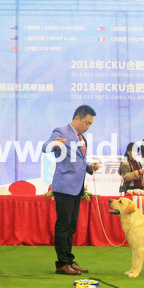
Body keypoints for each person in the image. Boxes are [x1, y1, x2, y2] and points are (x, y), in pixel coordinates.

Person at [44, 105, 100, 275]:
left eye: (90, 124)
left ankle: (69, 260)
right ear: (77, 118)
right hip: (64, 187)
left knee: (71, 227)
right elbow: (45, 147)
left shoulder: (82, 138)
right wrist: (55, 144)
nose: (88, 126)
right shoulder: (61, 131)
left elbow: (78, 161)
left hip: (77, 188)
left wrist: (89, 167)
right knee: (63, 226)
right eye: (86, 122)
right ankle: (61, 263)